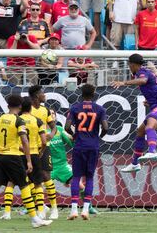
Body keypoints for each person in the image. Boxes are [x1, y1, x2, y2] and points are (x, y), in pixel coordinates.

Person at [0, 95, 51, 229]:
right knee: (24, 187)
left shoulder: (1, 118)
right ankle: (35, 219)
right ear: (20, 106)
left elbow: (6, 138)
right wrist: (28, 160)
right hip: (13, 157)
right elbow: (24, 141)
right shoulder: (19, 121)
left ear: (7, 106)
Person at [111, 54, 157, 173]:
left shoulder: (141, 73)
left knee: (150, 126)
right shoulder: (150, 73)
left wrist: (124, 83)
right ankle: (135, 163)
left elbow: (143, 81)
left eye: (129, 64)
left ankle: (152, 151)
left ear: (132, 64)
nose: (129, 67)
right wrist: (152, 99)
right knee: (140, 132)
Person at [0, 97, 52, 222]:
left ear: (21, 107)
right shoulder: (38, 121)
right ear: (31, 108)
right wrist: (41, 152)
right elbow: (44, 141)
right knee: (38, 183)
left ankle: (7, 212)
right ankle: (40, 211)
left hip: (18, 155)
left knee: (11, 182)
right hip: (33, 154)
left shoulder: (17, 120)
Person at [64, 84, 108, 220]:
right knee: (89, 178)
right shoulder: (100, 109)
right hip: (93, 146)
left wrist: (75, 135)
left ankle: (73, 211)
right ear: (94, 93)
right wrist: (98, 137)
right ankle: (85, 210)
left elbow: (66, 127)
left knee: (76, 178)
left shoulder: (75, 108)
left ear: (81, 94)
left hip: (79, 146)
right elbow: (105, 127)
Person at [48, 109, 98, 215]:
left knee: (80, 185)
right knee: (35, 186)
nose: (52, 116)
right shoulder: (41, 132)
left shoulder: (60, 130)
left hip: (62, 166)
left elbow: (72, 144)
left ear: (56, 117)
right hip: (48, 167)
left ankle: (89, 207)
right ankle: (31, 208)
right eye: (50, 114)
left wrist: (75, 137)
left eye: (54, 114)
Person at [28, 85, 59, 220]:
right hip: (29, 148)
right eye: (42, 93)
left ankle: (54, 208)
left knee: (46, 176)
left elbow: (54, 128)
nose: (44, 95)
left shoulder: (46, 110)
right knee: (33, 179)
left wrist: (51, 135)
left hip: (43, 147)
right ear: (36, 96)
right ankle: (41, 208)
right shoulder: (27, 109)